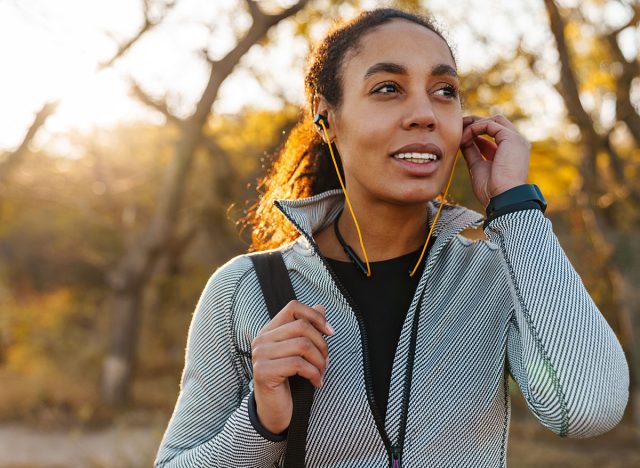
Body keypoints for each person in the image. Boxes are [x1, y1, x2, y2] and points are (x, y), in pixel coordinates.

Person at [154, 8, 629, 468]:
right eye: (388, 88)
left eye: (444, 91)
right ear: (327, 118)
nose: (424, 113)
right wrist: (261, 422)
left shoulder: (498, 273)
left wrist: (516, 208)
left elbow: (588, 409)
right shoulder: (245, 289)